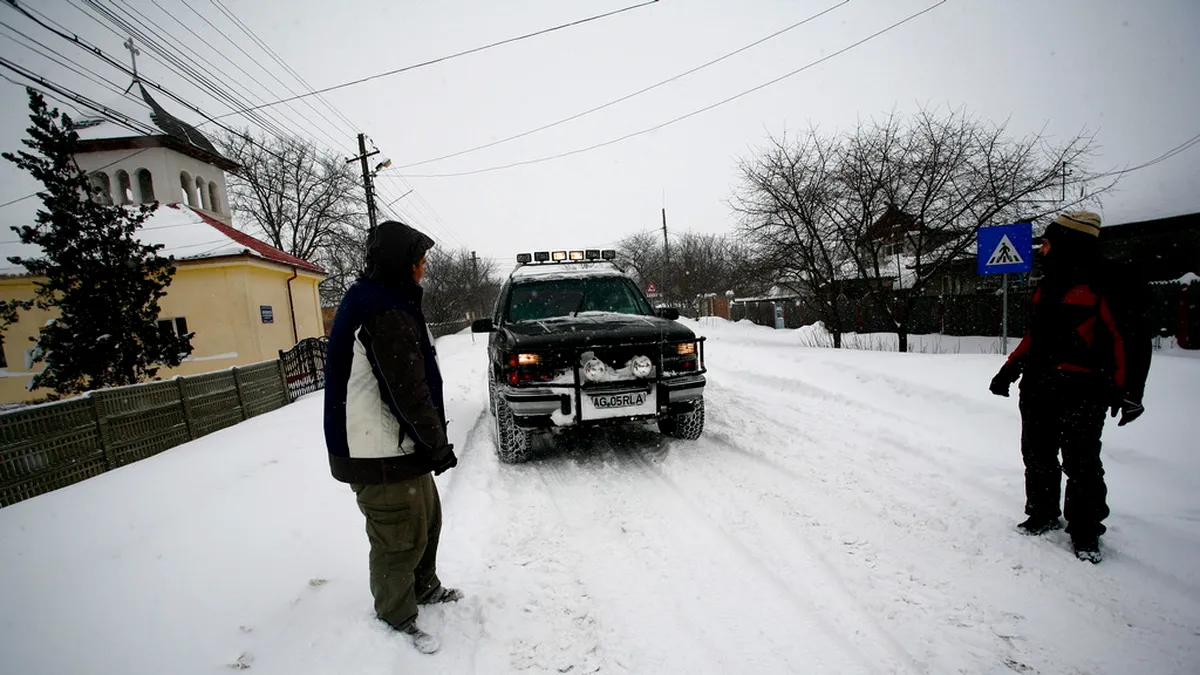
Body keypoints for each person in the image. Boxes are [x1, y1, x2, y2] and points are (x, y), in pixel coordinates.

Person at [323, 220, 461, 653]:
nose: (422, 270)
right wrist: (435, 444)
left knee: (426, 521)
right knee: (399, 535)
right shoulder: (383, 309)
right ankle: (394, 617)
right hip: (376, 446)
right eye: (418, 262)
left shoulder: (384, 299)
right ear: (401, 263)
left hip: (396, 443)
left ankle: (423, 588)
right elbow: (407, 390)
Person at [989, 211, 1151, 564]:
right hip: (1038, 384)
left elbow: (1132, 341)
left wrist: (1131, 392)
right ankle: (1043, 513)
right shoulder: (1048, 283)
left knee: (1081, 461)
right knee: (1038, 453)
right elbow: (1036, 336)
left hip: (1085, 387)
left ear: (1066, 242)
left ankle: (1086, 530)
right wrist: (1009, 369)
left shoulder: (1108, 281)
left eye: (1046, 242)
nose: (1042, 249)